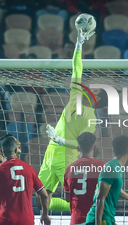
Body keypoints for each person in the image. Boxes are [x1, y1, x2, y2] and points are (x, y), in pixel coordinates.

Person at [36, 28, 108, 212]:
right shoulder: (76, 95)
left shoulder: (91, 119)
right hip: (50, 152)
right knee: (40, 199)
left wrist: (60, 139)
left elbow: (82, 145)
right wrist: (79, 45)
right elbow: (77, 68)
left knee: (74, 201)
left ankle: (86, 217)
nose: (91, 88)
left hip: (67, 157)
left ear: (97, 99)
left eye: (96, 91)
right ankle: (47, 219)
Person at [64, 132, 128, 225]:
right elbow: (109, 193)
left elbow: (68, 198)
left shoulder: (69, 169)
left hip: (77, 221)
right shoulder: (103, 166)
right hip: (97, 220)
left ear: (78, 148)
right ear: (95, 148)